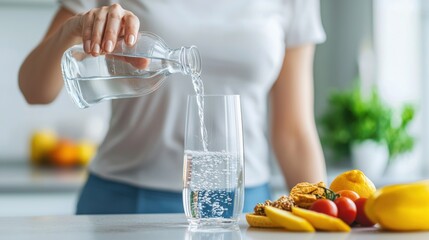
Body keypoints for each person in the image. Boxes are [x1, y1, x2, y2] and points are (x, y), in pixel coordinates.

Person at [19, 0, 327, 214]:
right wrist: (73, 30)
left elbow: (294, 133)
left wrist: (328, 214)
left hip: (244, 204)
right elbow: (34, 90)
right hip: (126, 201)